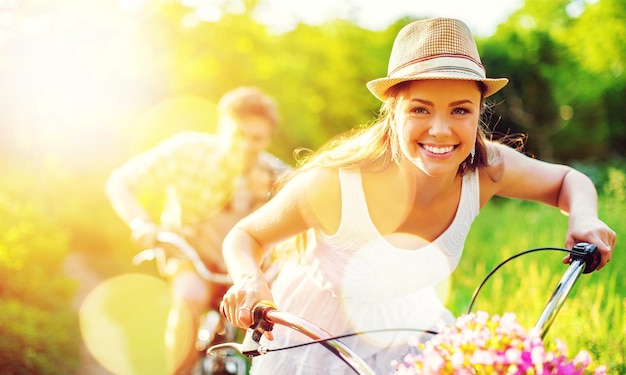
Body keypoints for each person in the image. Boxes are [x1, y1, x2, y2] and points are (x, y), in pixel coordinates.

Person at [220, 18, 617, 374]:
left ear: (480, 109)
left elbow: (569, 180)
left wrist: (583, 219)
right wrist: (249, 279)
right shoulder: (338, 184)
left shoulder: (488, 170)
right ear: (393, 111)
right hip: (316, 338)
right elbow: (246, 236)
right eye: (420, 110)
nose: (441, 130)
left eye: (460, 111)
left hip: (409, 331)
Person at [105, 86, 290, 374]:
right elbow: (121, 182)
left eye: (256, 138)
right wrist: (142, 223)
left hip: (246, 272)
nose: (245, 146)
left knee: (273, 321)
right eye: (238, 134)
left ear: (267, 139)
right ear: (222, 127)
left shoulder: (276, 174)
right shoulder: (187, 153)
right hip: (192, 260)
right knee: (190, 298)